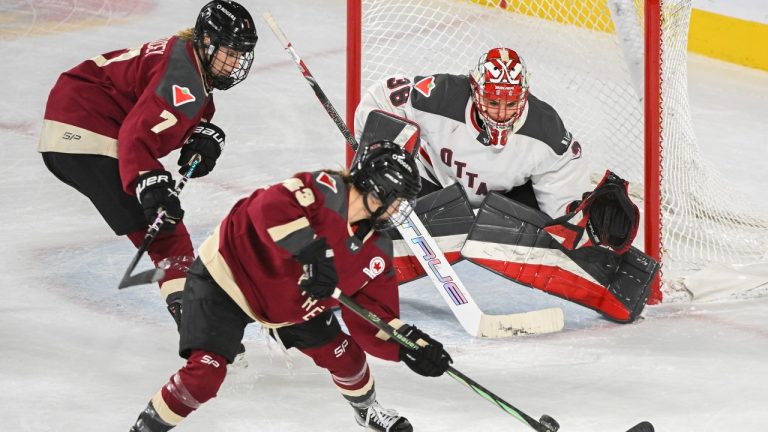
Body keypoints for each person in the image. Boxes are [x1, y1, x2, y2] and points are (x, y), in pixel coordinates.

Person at [128, 140, 453, 432]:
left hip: (291, 307)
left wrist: (409, 345)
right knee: (204, 376)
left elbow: (373, 315)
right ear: (376, 191)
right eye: (397, 201)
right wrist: (311, 251)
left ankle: (367, 411)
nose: (400, 211)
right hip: (226, 281)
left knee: (349, 358)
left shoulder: (377, 248)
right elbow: (265, 208)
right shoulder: (324, 188)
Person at [354, 48, 650, 323]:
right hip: (428, 187)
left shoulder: (546, 131)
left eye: (510, 104)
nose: (501, 113)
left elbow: (561, 210)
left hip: (500, 206)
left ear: (524, 96)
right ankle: (345, 268)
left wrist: (582, 220)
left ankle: (615, 290)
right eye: (493, 102)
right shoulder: (439, 96)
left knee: (560, 235)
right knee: (367, 211)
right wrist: (381, 155)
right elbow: (381, 98)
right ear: (475, 90)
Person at [37, 1, 258, 326]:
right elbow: (136, 136)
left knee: (166, 233)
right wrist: (150, 183)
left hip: (77, 123)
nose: (235, 62)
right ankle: (200, 329)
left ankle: (197, 320)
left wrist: (198, 132)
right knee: (166, 231)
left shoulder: (186, 59)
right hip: (85, 129)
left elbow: (151, 110)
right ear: (207, 42)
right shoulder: (185, 78)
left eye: (241, 55)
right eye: (229, 51)